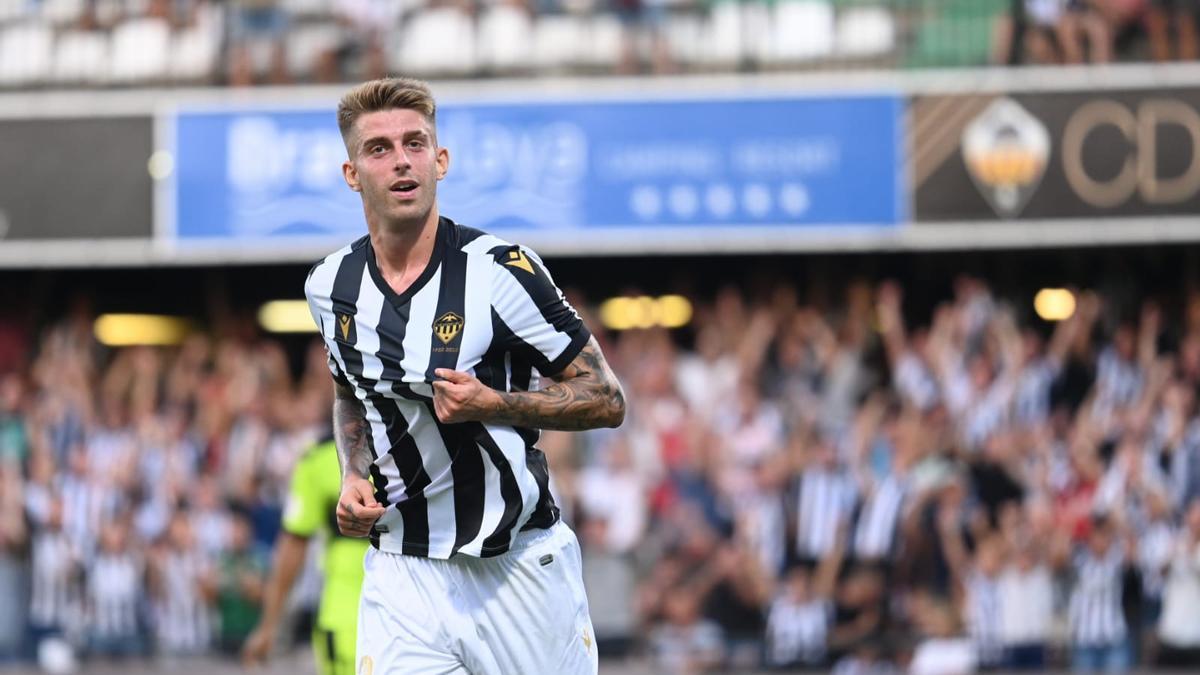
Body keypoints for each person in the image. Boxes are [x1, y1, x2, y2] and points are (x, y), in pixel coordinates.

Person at [304, 77, 626, 675]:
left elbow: (607, 398)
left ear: (440, 161)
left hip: (517, 567)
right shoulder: (329, 287)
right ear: (352, 174)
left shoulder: (501, 272)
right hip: (404, 570)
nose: (402, 160)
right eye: (379, 149)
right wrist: (353, 474)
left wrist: (495, 403)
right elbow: (349, 387)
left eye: (416, 143)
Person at [242, 438, 370, 675]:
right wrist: (269, 625)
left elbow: (293, 544)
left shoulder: (322, 457)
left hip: (349, 620)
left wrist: (268, 626)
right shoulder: (321, 458)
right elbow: (293, 544)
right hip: (359, 618)